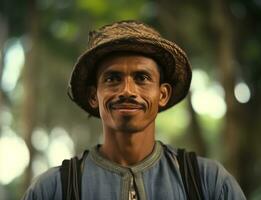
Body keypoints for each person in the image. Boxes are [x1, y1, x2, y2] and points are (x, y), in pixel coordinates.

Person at [22, 20, 246, 200]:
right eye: (112, 78)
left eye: (142, 78)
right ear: (93, 96)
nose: (127, 90)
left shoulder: (209, 182)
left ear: (163, 94)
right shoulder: (52, 189)